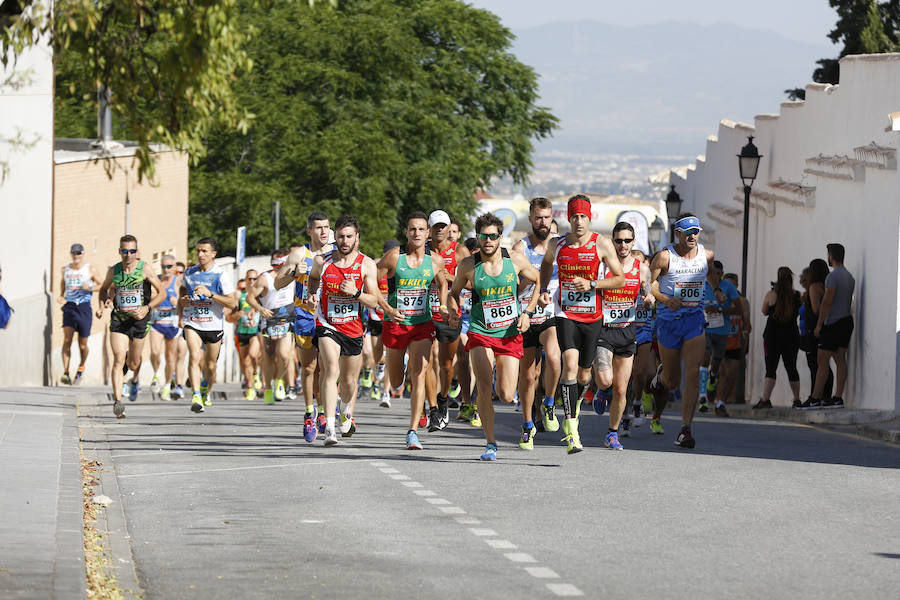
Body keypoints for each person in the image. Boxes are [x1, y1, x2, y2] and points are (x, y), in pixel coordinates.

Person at [448, 212, 540, 460]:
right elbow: (453, 292)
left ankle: (519, 417)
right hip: (480, 330)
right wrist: (453, 310)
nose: (488, 241)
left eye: (492, 236)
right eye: (483, 236)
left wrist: (528, 312)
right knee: (485, 385)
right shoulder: (468, 265)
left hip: (509, 332)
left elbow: (538, 279)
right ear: (477, 237)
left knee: (508, 394)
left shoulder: (516, 261)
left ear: (501, 237)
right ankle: (490, 443)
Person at [538, 194, 625, 454]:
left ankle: (573, 408)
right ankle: (571, 429)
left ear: (589, 218)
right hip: (566, 314)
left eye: (583, 217)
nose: (578, 221)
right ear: (568, 217)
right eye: (574, 216)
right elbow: (545, 264)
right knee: (570, 365)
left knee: (585, 375)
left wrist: (593, 284)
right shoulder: (557, 243)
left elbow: (619, 279)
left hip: (593, 316)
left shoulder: (602, 244)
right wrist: (543, 289)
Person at [307, 215, 395, 445]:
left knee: (348, 382)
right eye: (340, 236)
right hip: (327, 323)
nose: (344, 241)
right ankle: (329, 427)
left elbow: (374, 301)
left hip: (354, 328)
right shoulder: (322, 261)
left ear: (357, 237)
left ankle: (345, 410)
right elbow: (313, 279)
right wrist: (311, 294)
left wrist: (355, 292)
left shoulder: (366, 265)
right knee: (330, 370)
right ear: (335, 237)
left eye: (349, 236)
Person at [377, 211, 449, 450]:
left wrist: (445, 305)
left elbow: (443, 282)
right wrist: (387, 307)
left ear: (428, 233)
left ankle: (412, 431)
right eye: (412, 229)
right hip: (396, 324)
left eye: (421, 229)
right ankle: (400, 366)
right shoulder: (393, 257)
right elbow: (370, 281)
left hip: (422, 324)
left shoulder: (436, 260)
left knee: (419, 372)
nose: (417, 233)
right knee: (397, 381)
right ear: (406, 232)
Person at [647, 214, 715, 448]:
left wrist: (718, 292)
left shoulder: (707, 255)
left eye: (696, 231)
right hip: (668, 321)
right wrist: (665, 299)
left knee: (693, 373)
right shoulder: (665, 257)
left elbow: (711, 277)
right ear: (677, 233)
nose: (693, 236)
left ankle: (685, 429)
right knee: (672, 381)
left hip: (694, 319)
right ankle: (661, 376)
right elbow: (649, 284)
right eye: (688, 232)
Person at [592, 222, 653, 450]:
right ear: (613, 242)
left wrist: (649, 299)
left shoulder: (641, 268)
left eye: (627, 240)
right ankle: (601, 388)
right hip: (604, 330)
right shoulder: (602, 266)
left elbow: (646, 291)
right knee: (607, 381)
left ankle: (612, 433)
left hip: (627, 331)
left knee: (621, 388)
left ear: (633, 242)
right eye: (618, 240)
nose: (623, 245)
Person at [274, 213, 334, 442]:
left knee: (329, 366)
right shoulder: (300, 253)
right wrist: (293, 274)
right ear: (309, 231)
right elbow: (277, 283)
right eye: (318, 228)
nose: (323, 232)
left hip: (329, 317)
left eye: (327, 227)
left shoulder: (336, 252)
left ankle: (325, 410)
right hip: (305, 315)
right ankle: (310, 413)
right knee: (310, 367)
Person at [96, 235, 166, 417]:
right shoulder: (114, 271)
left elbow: (162, 293)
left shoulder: (145, 270)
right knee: (119, 358)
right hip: (119, 320)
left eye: (132, 251)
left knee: (133, 363)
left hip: (140, 321)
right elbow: (104, 289)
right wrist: (103, 303)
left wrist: (147, 308)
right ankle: (118, 402)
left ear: (137, 252)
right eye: (125, 251)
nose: (128, 254)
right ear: (119, 252)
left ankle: (134, 379)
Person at [513, 197, 562, 447]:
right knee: (529, 376)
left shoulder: (558, 246)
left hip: (550, 315)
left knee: (554, 358)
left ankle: (550, 402)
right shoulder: (520, 249)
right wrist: (533, 284)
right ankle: (527, 424)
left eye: (547, 217)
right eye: (538, 218)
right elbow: (513, 286)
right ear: (531, 219)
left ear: (552, 218)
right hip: (525, 316)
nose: (543, 222)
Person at [179, 237, 237, 413]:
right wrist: (183, 304)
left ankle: (205, 386)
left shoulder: (220, 274)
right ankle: (196, 395)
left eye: (204, 251)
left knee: (211, 366)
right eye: (198, 251)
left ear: (213, 254)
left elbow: (232, 303)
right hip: (193, 322)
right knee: (195, 357)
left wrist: (210, 294)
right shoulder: (189, 273)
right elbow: (182, 292)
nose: (200, 254)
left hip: (213, 325)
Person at [425, 209, 470, 432]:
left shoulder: (459, 252)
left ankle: (443, 398)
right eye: (436, 227)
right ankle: (432, 408)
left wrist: (453, 279)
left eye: (444, 226)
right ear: (430, 230)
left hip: (450, 313)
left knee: (445, 364)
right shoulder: (421, 252)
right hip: (425, 311)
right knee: (425, 361)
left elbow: (475, 283)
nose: (440, 230)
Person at [804, 244, 855, 409]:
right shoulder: (849, 276)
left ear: (831, 256)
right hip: (847, 320)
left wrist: (819, 325)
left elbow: (827, 301)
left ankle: (815, 397)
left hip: (833, 322)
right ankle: (838, 397)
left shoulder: (832, 277)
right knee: (841, 359)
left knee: (822, 360)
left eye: (828, 254)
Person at [247, 250, 295, 405]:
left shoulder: (293, 275)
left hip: (287, 319)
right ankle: (268, 388)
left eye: (280, 262)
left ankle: (279, 381)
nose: (278, 266)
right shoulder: (264, 278)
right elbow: (250, 297)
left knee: (285, 355)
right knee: (268, 356)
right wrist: (260, 309)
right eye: (275, 263)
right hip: (269, 321)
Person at [753, 267, 802, 408]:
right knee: (791, 367)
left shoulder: (771, 294)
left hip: (772, 336)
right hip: (792, 336)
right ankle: (797, 399)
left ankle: (765, 400)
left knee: (771, 368)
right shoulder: (797, 295)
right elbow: (799, 312)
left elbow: (763, 311)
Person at [698, 260, 740, 417]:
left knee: (716, 363)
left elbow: (739, 308)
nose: (716, 276)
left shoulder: (727, 287)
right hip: (704, 329)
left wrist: (719, 308)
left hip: (722, 331)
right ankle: (702, 396)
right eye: (713, 273)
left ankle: (712, 378)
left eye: (719, 274)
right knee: (705, 357)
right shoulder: (701, 285)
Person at [58, 243, 103, 385]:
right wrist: (61, 295)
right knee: (67, 340)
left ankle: (81, 366)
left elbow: (103, 285)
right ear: (71, 254)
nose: (76, 256)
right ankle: (65, 372)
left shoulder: (90, 269)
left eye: (78, 253)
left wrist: (89, 287)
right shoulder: (65, 269)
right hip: (70, 307)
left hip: (84, 308)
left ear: (83, 254)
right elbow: (62, 282)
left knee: (82, 345)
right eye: (74, 253)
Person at [148, 255, 186, 401]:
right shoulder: (156, 280)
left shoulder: (178, 282)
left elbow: (184, 301)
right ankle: (156, 374)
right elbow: (149, 297)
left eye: (169, 266)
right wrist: (154, 299)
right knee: (155, 352)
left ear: (174, 267)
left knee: (171, 358)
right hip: (157, 322)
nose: (166, 270)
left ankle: (167, 385)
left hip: (172, 323)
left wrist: (177, 302)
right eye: (164, 266)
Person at [797, 259, 833, 409]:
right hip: (826, 327)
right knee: (824, 365)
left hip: (813, 330)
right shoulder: (828, 285)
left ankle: (815, 397)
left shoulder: (814, 287)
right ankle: (825, 396)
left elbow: (817, 310)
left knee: (815, 365)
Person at [228, 272, 263, 401]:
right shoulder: (240, 296)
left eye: (255, 278)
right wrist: (238, 315)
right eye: (250, 279)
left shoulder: (260, 295)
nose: (252, 281)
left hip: (255, 331)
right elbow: (229, 317)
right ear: (246, 280)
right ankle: (249, 388)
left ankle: (255, 375)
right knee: (245, 361)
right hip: (242, 332)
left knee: (253, 355)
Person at [718, 273, 751, 404]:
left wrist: (745, 332)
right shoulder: (718, 299)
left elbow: (748, 324)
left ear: (737, 285)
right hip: (720, 339)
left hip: (736, 341)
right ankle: (719, 399)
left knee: (733, 373)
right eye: (726, 284)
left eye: (732, 284)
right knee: (721, 371)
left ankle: (731, 398)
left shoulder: (742, 302)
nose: (729, 287)